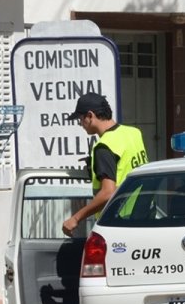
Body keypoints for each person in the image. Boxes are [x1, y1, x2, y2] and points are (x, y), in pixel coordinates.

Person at [62, 92, 148, 237]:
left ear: (90, 116)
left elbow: (108, 193)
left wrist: (76, 218)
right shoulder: (133, 133)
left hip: (119, 222)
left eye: (80, 119)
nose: (81, 124)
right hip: (145, 215)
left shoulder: (104, 147)